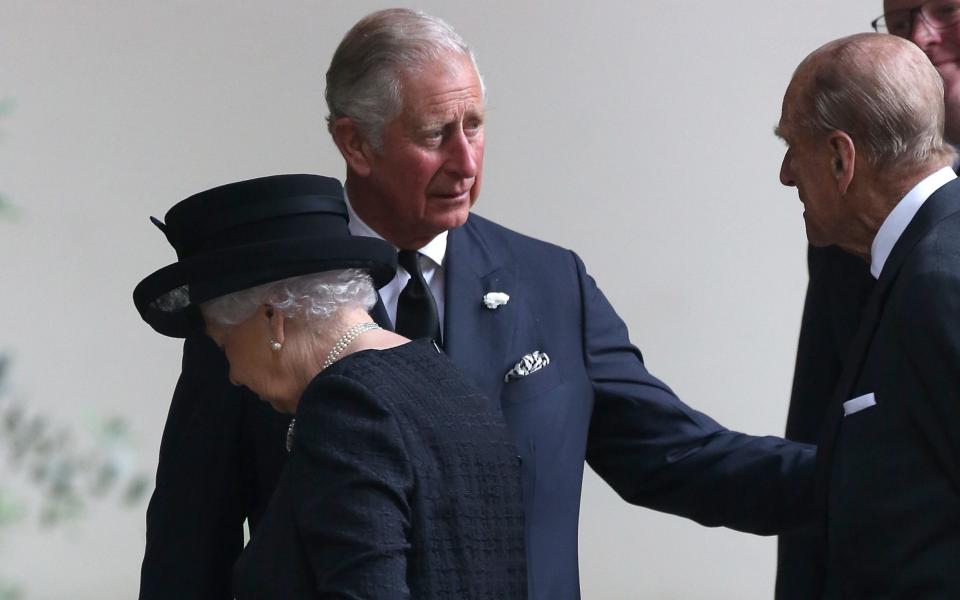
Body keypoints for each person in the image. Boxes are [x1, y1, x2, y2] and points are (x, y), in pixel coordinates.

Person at [138, 10, 816, 600]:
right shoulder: (264, 304)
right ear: (355, 143)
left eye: (476, 124)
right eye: (435, 133)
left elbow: (680, 458)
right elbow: (191, 539)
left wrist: (865, 475)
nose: (466, 160)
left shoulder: (551, 283)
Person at [133, 174, 528, 598]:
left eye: (223, 342)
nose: (232, 374)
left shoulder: (346, 406)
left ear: (273, 319)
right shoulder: (453, 384)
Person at [776, 2, 960, 594]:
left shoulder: (939, 282)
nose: (784, 174)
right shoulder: (898, 259)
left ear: (839, 157)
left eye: (792, 147)